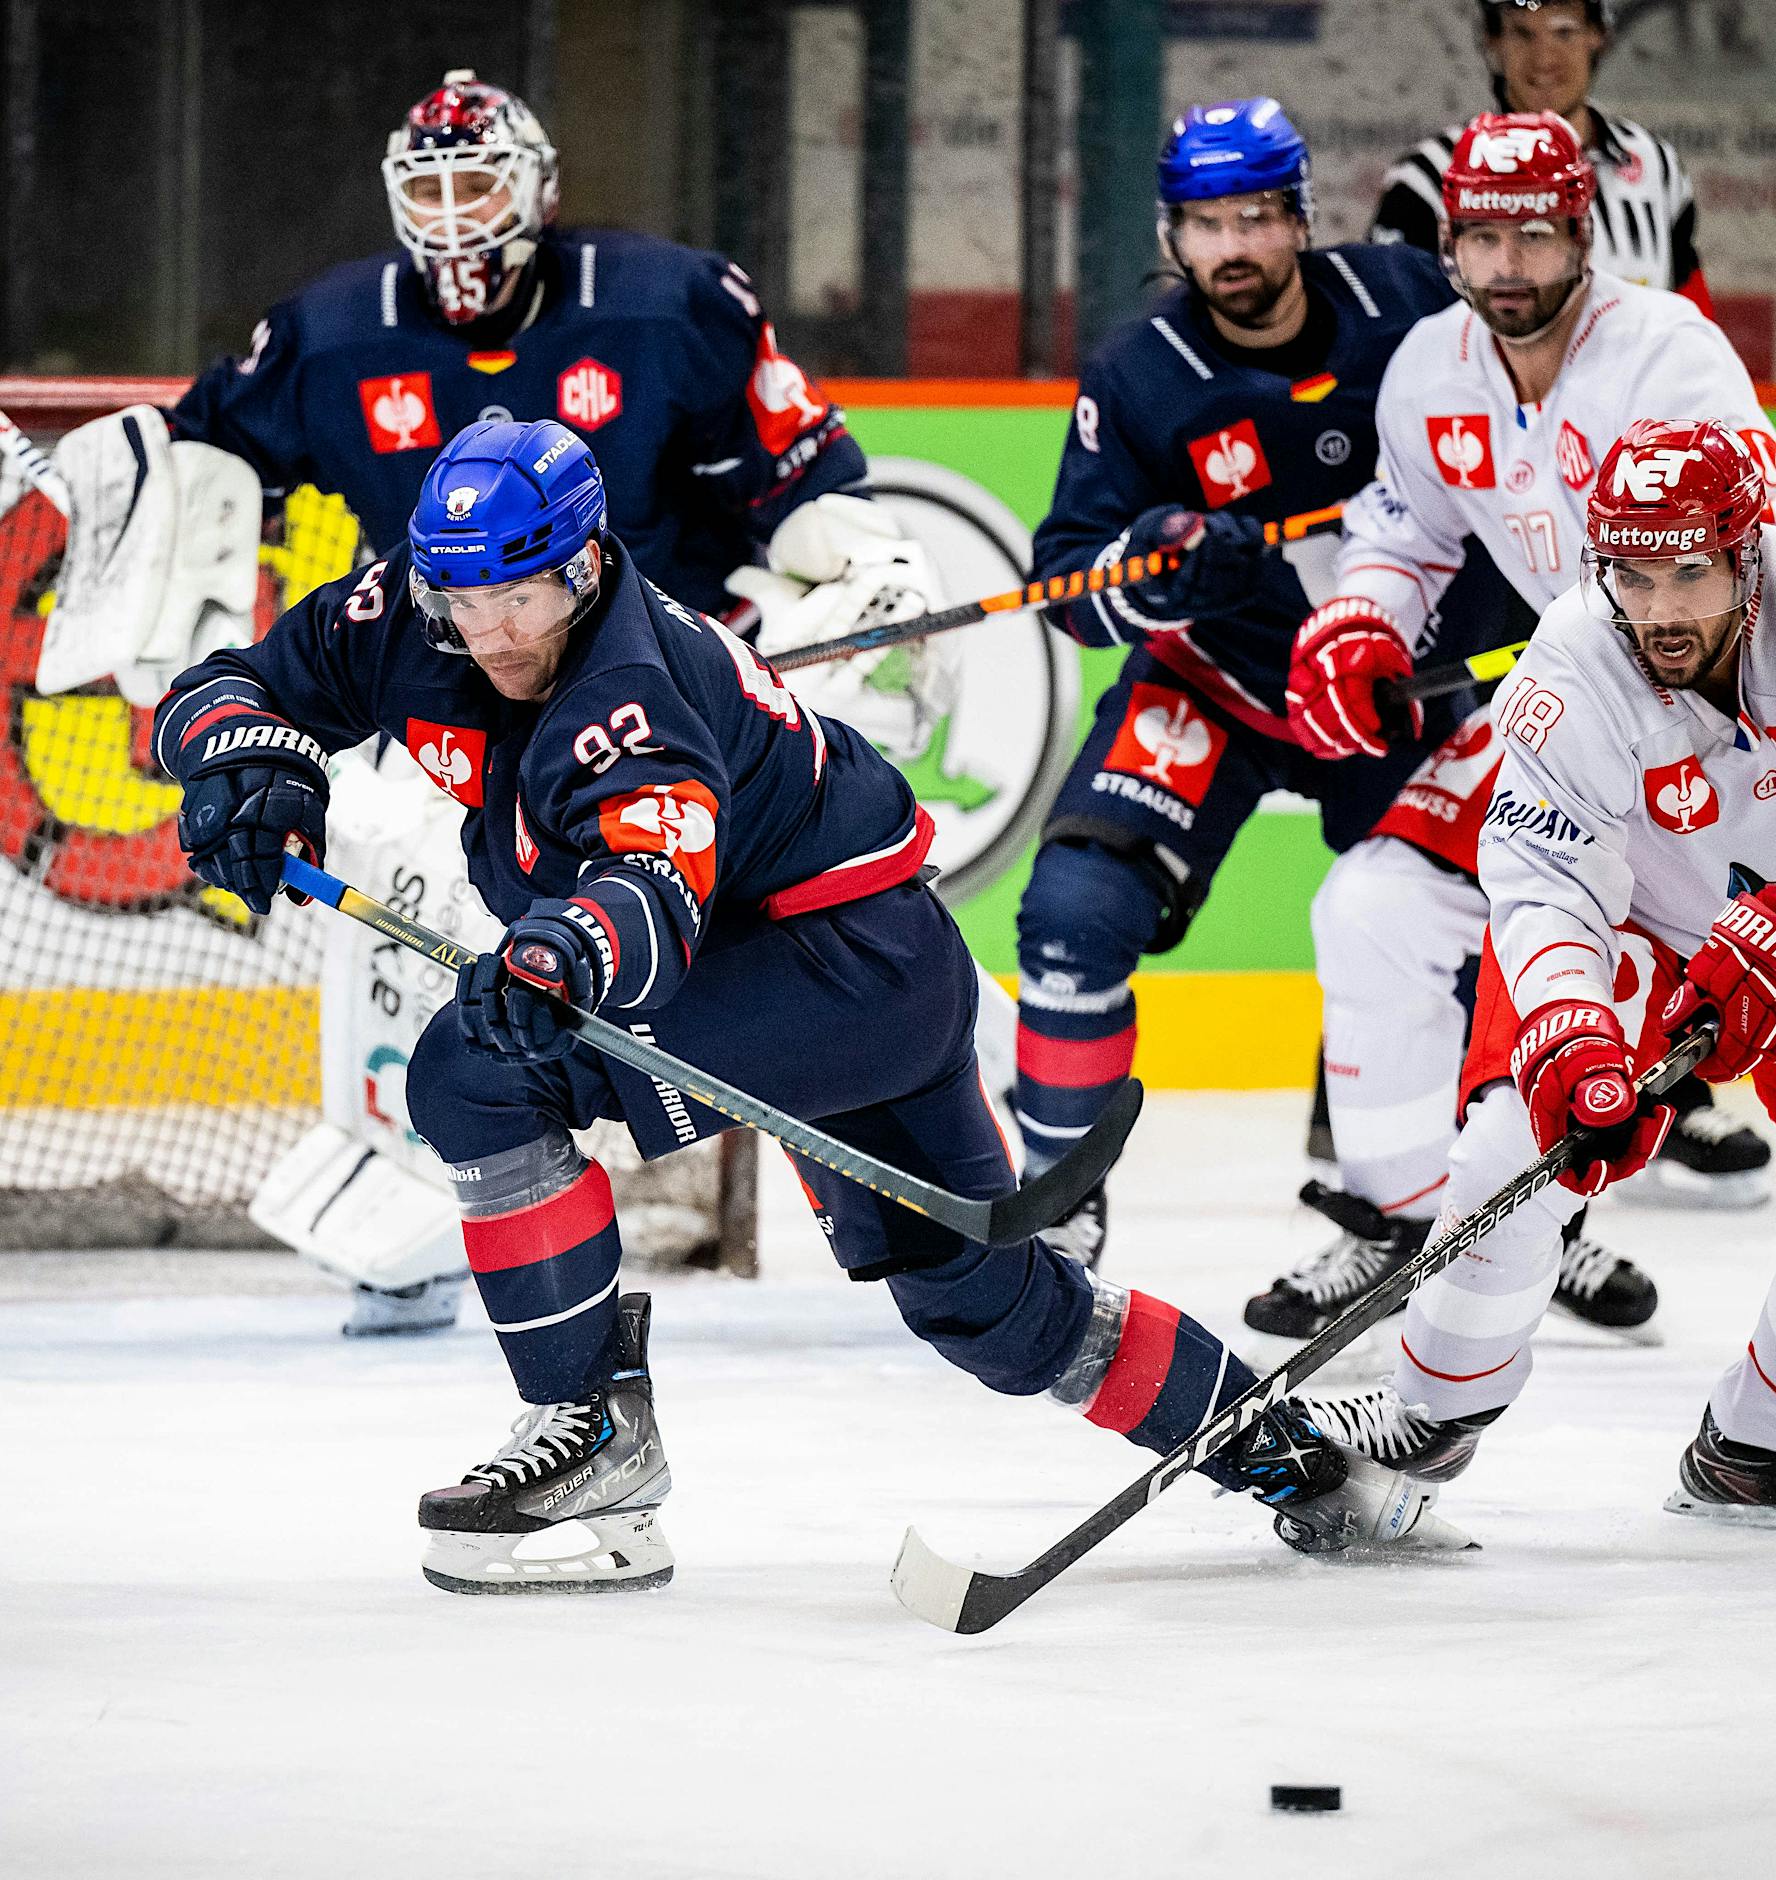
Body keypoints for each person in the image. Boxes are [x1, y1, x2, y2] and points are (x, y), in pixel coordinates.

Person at [149, 417, 1449, 1590]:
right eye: (466, 598)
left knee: (475, 1073)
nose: (493, 633)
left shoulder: (633, 695)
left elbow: (648, 891)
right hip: (853, 964)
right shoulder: (413, 610)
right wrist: (241, 759)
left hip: (843, 978)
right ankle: (1308, 1466)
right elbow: (236, 679)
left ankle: (590, 1432)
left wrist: (554, 962)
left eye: (527, 594)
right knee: (987, 1313)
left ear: (590, 566)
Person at [43, 69, 941, 1335]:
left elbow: (803, 481)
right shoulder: (332, 328)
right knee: (402, 870)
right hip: (455, 700)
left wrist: (857, 557)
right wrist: (121, 517)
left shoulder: (665, 301)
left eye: (481, 182)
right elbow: (202, 458)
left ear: (542, 192)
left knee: (800, 906)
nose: (457, 216)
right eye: (432, 187)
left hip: (666, 701)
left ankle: (963, 1117)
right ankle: (419, 1202)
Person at [1240, 112, 1776, 1366]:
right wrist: (1357, 621)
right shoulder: (1425, 369)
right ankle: (1406, 1221)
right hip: (1580, 709)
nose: (1506, 264)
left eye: (1533, 233)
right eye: (1481, 235)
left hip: (1737, 735)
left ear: (1581, 231)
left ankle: (1543, 1212)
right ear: (1446, 239)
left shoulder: (1667, 354)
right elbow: (1403, 532)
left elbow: (1765, 565)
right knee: (1374, 903)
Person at [1279, 418, 1776, 1529]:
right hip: (1650, 924)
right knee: (1522, 1125)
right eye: (1631, 573)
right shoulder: (1568, 661)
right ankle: (1430, 1408)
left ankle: (1765, 1445)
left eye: (1689, 571)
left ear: (1747, 551)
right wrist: (1564, 1024)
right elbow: (1545, 876)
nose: (1657, 609)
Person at [1010, 97, 1531, 1273]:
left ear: (1299, 217)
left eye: (1255, 214)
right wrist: (1156, 557)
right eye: (1205, 223)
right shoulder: (1140, 375)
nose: (1231, 245)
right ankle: (1057, 1194)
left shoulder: (1407, 304)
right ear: (1170, 235)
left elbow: (1522, 430)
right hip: (1218, 682)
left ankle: (1446, 1208)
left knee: (1452, 936)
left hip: (1402, 691)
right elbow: (1066, 591)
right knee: (1072, 912)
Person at [1372, 1, 1712, 307]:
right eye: (1523, 34)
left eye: (1564, 32)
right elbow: (1393, 327)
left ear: (1598, 35)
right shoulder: (1427, 178)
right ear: (1494, 41)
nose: (1544, 58)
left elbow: (1693, 323)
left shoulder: (1655, 164)